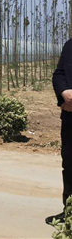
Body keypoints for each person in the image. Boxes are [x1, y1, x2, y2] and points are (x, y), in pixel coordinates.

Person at [48, 38, 72, 225]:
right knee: (69, 164)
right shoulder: (70, 45)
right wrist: (64, 92)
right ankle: (69, 212)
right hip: (70, 115)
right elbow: (59, 73)